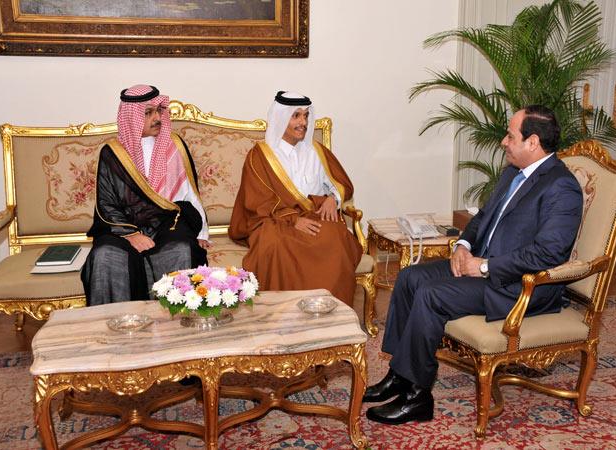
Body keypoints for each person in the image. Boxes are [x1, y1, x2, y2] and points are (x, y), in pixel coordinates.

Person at [364, 105, 583, 425]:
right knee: (410, 277)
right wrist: (463, 246)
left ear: (533, 142)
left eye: (510, 136)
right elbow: (482, 218)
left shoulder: (561, 186)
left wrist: (484, 267)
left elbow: (548, 254)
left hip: (519, 285)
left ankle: (417, 397)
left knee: (431, 294)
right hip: (483, 266)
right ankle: (400, 376)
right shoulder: (513, 172)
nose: (503, 142)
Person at [81, 84, 211, 305]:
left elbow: (190, 192)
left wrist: (202, 233)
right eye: (148, 113)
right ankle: (116, 319)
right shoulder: (113, 152)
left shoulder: (174, 145)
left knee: (181, 248)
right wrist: (131, 235)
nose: (157, 118)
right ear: (131, 117)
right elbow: (106, 202)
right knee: (105, 255)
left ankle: (176, 319)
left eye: (159, 111)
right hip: (122, 226)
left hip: (166, 221)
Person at [228, 91, 362, 305]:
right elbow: (258, 202)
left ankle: (330, 310)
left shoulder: (316, 151)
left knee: (335, 238)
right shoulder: (261, 155)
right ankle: (284, 312)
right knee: (274, 244)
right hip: (274, 221)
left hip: (314, 216)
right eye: (296, 116)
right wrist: (294, 220)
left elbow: (341, 184)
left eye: (306, 116)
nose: (303, 123)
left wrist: (332, 199)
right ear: (281, 118)